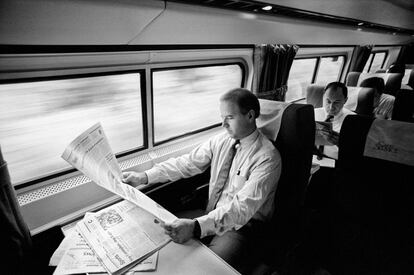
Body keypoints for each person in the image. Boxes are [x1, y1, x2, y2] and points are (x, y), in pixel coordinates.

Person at [122, 88, 281, 272]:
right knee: (161, 241)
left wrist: (196, 226)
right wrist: (145, 176)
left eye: (229, 117)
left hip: (242, 227)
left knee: (204, 270)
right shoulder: (221, 141)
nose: (223, 124)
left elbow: (242, 209)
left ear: (250, 116)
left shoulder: (267, 157)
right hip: (209, 211)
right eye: (222, 117)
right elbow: (186, 163)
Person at [314, 82, 355, 160]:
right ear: (323, 97)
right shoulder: (312, 113)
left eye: (336, 102)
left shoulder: (353, 120)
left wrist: (340, 143)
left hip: (336, 161)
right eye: (328, 101)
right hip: (313, 157)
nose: (331, 107)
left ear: (345, 100)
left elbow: (354, 151)